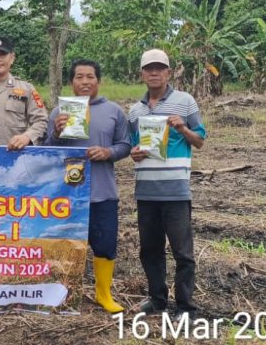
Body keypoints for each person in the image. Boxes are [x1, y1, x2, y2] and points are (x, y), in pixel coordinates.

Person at [46, 59, 132, 313]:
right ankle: (63, 294)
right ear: (71, 82)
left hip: (102, 192)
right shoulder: (58, 113)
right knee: (65, 247)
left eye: (90, 77)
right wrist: (57, 133)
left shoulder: (114, 111)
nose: (85, 82)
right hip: (68, 194)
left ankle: (103, 295)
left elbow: (125, 145)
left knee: (105, 245)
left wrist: (108, 152)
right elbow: (47, 151)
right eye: (79, 77)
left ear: (98, 81)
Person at [127, 49, 207, 315]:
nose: (154, 73)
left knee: (183, 252)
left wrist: (183, 128)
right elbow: (132, 147)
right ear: (142, 74)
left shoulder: (185, 102)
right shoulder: (135, 111)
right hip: (147, 192)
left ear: (168, 72)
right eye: (149, 68)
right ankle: (157, 298)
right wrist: (134, 153)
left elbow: (200, 140)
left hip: (175, 190)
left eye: (159, 68)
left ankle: (185, 304)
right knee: (150, 249)